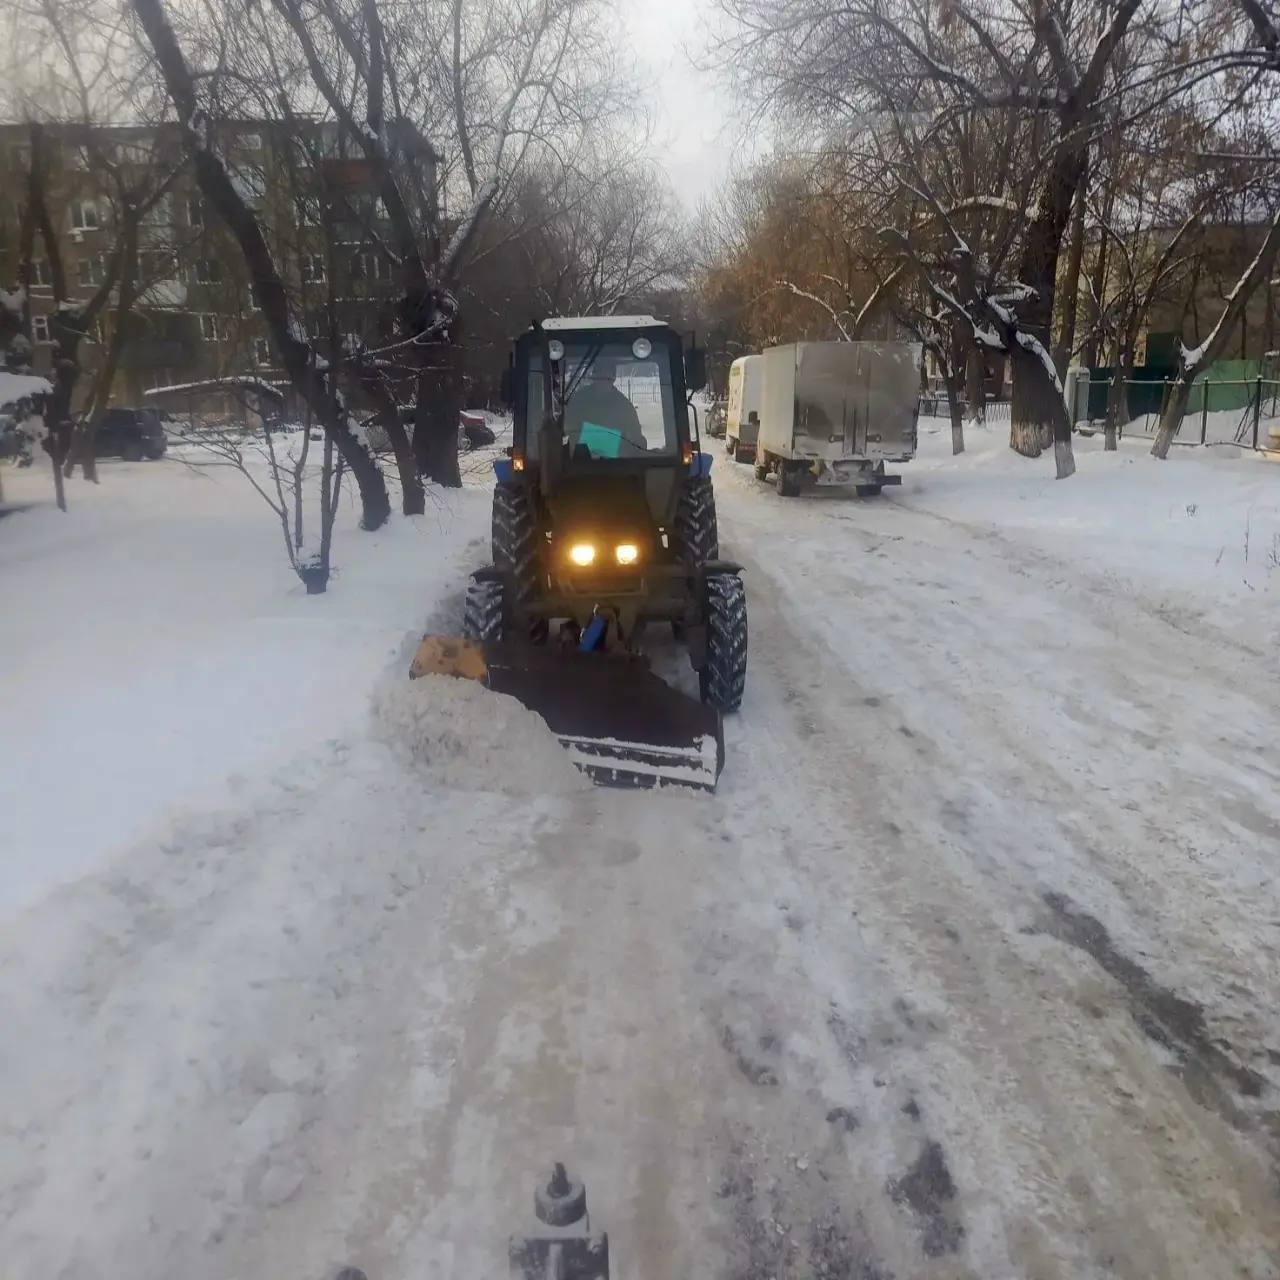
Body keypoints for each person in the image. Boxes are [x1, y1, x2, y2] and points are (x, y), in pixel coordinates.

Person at [563, 354, 647, 456]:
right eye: (599, 378)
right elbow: (568, 431)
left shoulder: (624, 406)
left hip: (615, 466)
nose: (602, 382)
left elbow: (637, 441)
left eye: (606, 378)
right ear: (593, 378)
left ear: (613, 379)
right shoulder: (579, 400)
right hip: (581, 464)